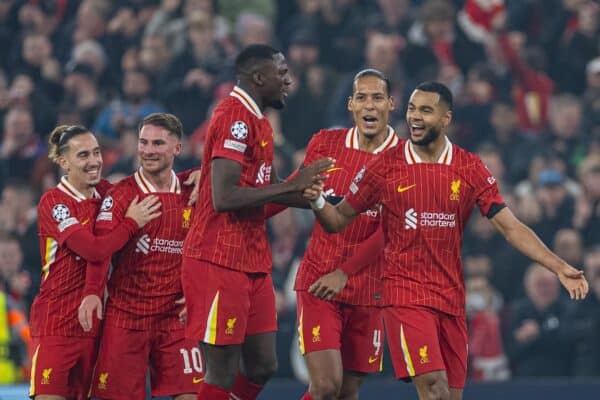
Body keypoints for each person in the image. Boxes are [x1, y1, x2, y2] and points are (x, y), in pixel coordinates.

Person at [304, 81, 589, 400]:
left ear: (446, 118)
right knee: (435, 390)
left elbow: (511, 227)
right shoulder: (385, 166)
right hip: (405, 295)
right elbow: (338, 219)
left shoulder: (468, 166)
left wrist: (559, 266)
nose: (415, 117)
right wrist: (316, 200)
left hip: (450, 298)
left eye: (426, 110)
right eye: (412, 109)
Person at [181, 44, 333, 400]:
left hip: (252, 260)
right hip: (217, 258)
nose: (288, 81)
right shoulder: (234, 116)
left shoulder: (261, 124)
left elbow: (270, 198)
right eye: (281, 74)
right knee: (221, 370)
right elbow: (224, 196)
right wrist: (291, 185)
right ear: (259, 77)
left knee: (264, 364)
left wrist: (323, 196)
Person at [29, 125, 160, 400]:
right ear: (64, 162)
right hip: (56, 323)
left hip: (93, 326)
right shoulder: (54, 202)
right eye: (83, 155)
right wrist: (131, 223)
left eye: (97, 153)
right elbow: (94, 250)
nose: (94, 161)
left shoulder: (106, 194)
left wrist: (189, 177)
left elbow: (151, 186)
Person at [289, 68, 397, 400]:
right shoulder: (326, 144)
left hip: (370, 292)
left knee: (347, 393)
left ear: (391, 104)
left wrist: (346, 273)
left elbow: (389, 233)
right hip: (320, 283)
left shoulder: (405, 161)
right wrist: (240, 205)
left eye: (377, 97)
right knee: (324, 387)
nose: (369, 105)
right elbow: (293, 190)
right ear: (350, 105)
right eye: (361, 97)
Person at [78, 113, 201, 400]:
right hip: (126, 317)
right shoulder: (121, 196)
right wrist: (93, 292)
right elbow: (101, 250)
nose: (148, 150)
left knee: (192, 395)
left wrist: (201, 292)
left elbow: (208, 249)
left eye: (158, 143)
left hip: (175, 318)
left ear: (177, 149)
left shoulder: (193, 193)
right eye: (143, 143)